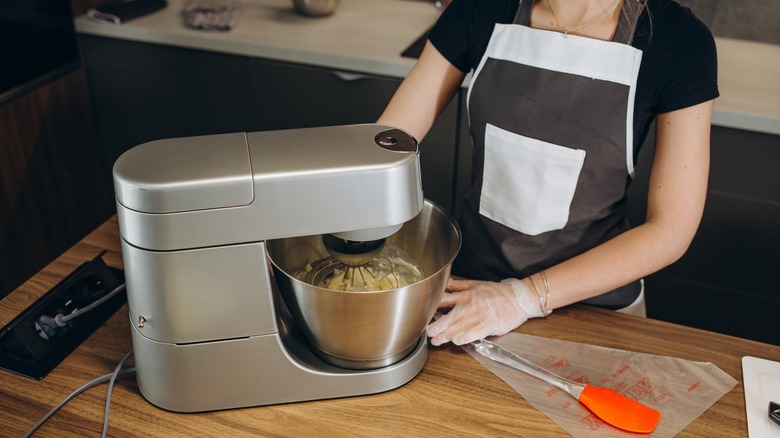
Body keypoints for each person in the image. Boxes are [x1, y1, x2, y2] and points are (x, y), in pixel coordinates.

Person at [377, 0, 717, 346]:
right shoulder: (480, 8)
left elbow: (671, 229)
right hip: (468, 298)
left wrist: (524, 297)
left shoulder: (679, 41)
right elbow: (380, 152)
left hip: (594, 312)